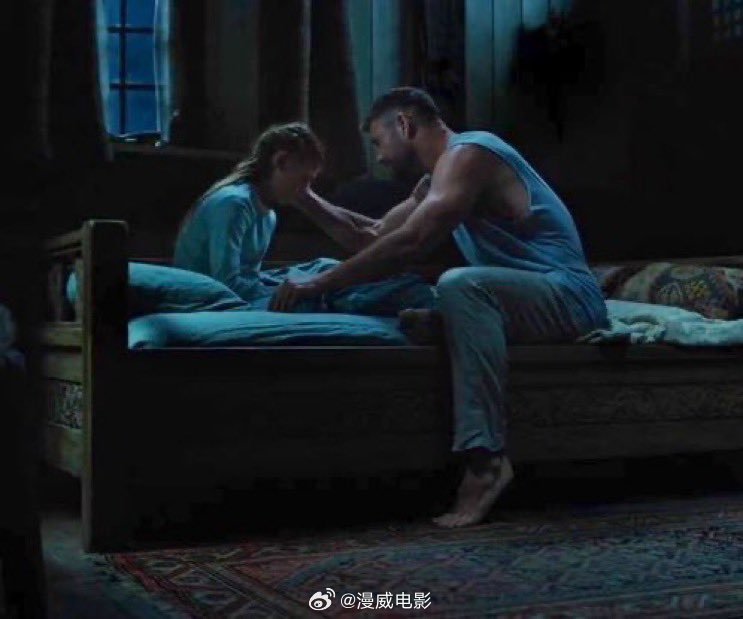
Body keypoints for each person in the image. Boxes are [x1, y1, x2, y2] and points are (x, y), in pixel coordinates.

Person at [270, 87, 608, 528]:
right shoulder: (435, 182)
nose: (379, 157)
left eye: (378, 142)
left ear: (404, 124)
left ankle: (486, 461)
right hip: (524, 300)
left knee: (460, 284)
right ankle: (450, 324)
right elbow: (373, 238)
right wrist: (303, 198)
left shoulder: (472, 153)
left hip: (570, 297)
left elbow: (411, 243)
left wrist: (318, 283)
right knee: (434, 298)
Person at [174, 122, 436, 314]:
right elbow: (225, 284)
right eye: (304, 180)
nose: (306, 190)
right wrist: (296, 289)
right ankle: (404, 297)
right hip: (213, 298)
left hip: (244, 289)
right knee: (312, 297)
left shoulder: (268, 213)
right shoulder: (234, 204)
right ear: (281, 162)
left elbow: (250, 275)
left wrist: (299, 282)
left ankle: (403, 292)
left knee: (323, 266)